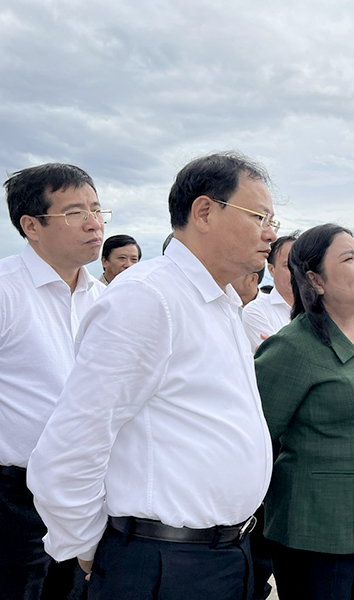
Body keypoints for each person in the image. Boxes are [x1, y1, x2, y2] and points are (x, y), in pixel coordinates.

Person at [27, 152, 277, 600]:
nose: (270, 233)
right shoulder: (149, 298)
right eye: (258, 216)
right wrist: (91, 551)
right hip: (163, 564)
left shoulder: (218, 304)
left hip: (225, 554)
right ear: (204, 211)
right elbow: (72, 447)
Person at [254, 224, 354, 600]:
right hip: (318, 531)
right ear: (314, 279)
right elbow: (257, 439)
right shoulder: (291, 348)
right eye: (348, 258)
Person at [0, 163, 108, 600]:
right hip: (14, 496)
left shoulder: (105, 299)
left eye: (98, 209)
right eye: (74, 212)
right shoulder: (6, 289)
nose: (93, 222)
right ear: (32, 225)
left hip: (86, 490)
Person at [243, 232, 298, 352]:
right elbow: (278, 359)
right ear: (271, 270)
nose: (296, 271)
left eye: (300, 264)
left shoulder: (319, 307)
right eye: (288, 265)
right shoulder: (256, 311)